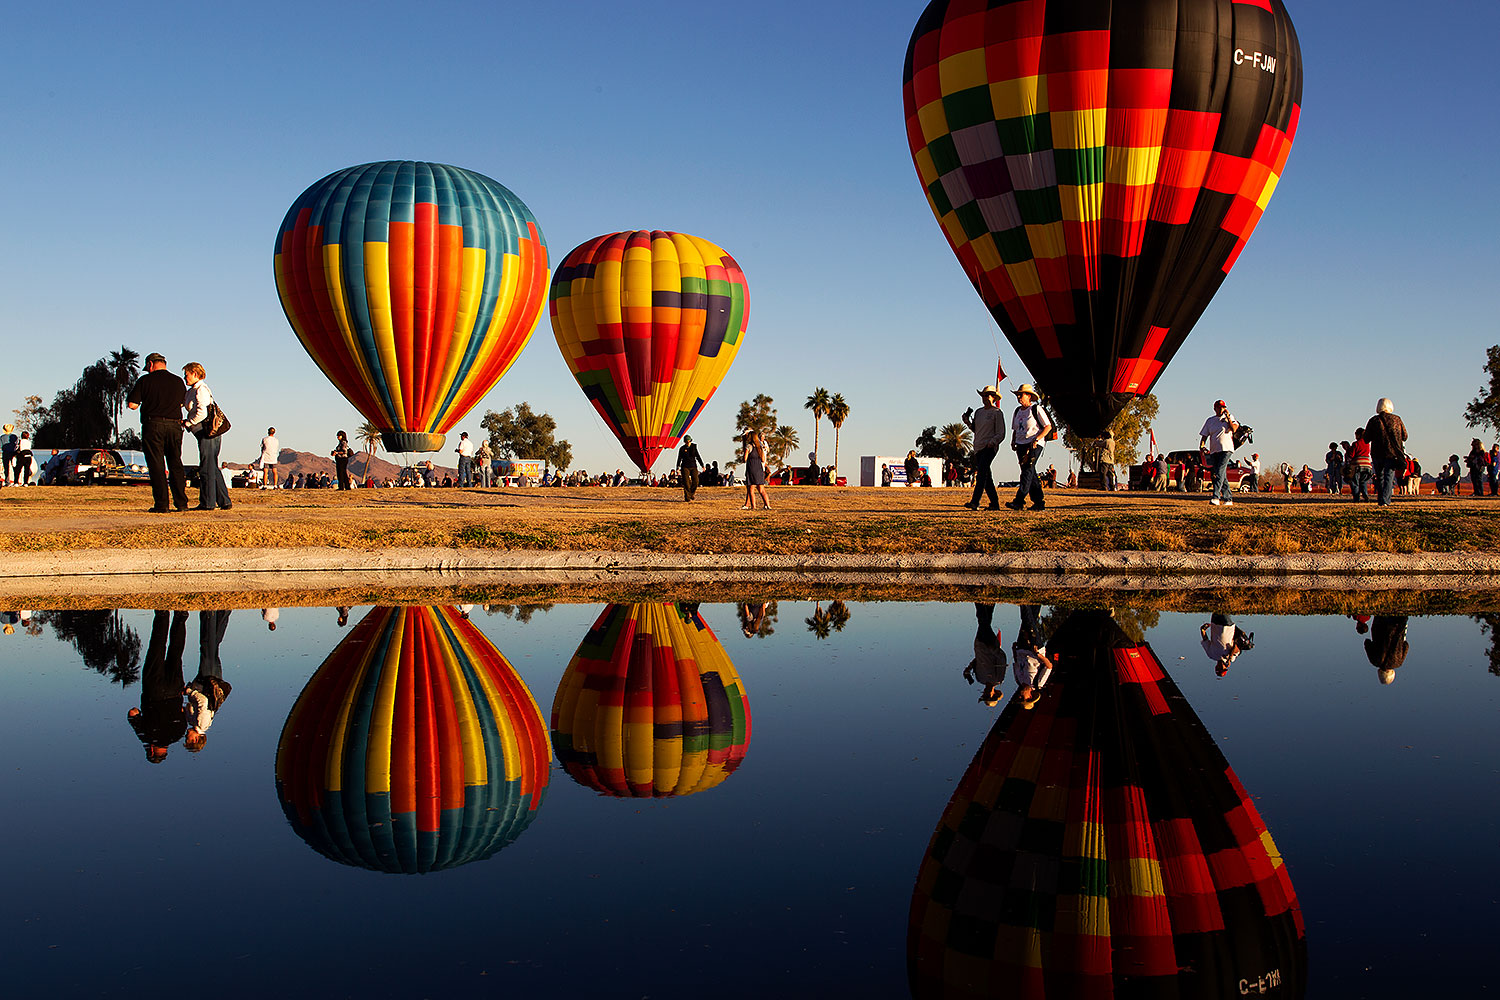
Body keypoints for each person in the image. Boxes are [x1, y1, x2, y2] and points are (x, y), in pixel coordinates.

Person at [126, 352, 190, 512]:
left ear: (150, 364)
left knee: (157, 464)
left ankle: (162, 504)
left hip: (153, 424)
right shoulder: (178, 381)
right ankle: (181, 503)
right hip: (175, 426)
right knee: (175, 463)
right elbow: (184, 403)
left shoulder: (145, 380)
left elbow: (132, 404)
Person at [126, 610, 188, 763]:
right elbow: (133, 712)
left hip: (175, 691)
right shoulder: (146, 736)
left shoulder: (178, 734)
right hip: (153, 692)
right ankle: (162, 614)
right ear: (152, 751)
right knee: (156, 650)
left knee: (176, 652)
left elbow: (184, 711)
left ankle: (181, 615)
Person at [181, 362, 231, 511]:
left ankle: (208, 503)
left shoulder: (201, 390)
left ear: (195, 374)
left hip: (207, 432)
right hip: (202, 433)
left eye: (187, 374)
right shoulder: (192, 390)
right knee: (211, 466)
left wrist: (189, 423)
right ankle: (224, 501)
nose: (185, 377)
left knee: (206, 467)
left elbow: (202, 413)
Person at [183, 609, 233, 752]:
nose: (186, 735)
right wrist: (189, 692)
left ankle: (224, 611)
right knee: (207, 645)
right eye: (188, 738)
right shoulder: (202, 723)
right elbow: (203, 701)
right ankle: (209, 613)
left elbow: (188, 709)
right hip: (208, 678)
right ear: (196, 739)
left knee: (213, 646)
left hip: (212, 678)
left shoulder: (194, 722)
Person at [1005, 383, 1050, 511]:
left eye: (1021, 394)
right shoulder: (1017, 411)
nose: (1019, 397)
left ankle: (1019, 500)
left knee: (1027, 470)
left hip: (1034, 443)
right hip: (1020, 444)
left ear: (1029, 396)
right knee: (1030, 472)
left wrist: (1037, 439)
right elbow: (1015, 429)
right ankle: (1039, 502)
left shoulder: (1036, 409)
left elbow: (1047, 426)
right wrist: (1013, 440)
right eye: (1018, 395)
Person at [961, 385, 1005, 510]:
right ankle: (994, 504)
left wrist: (993, 441)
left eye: (987, 395)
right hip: (978, 447)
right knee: (986, 476)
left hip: (989, 447)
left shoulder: (997, 413)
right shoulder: (979, 412)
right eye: (984, 395)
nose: (985, 398)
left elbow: (1001, 433)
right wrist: (968, 422)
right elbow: (976, 429)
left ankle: (975, 501)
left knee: (981, 474)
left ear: (993, 397)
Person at [1365, 398, 1408, 507]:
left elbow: (1366, 438)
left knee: (1380, 477)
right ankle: (1385, 500)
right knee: (1389, 476)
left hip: (1377, 452)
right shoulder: (1397, 419)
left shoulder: (1374, 420)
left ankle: (1381, 499)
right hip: (1393, 453)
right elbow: (1405, 436)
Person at [962, 603, 1006, 706]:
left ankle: (989, 602)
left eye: (984, 695)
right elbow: (1002, 659)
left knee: (985, 622)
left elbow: (978, 661)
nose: (985, 693)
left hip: (979, 645)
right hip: (990, 644)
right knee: (983, 622)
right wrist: (993, 649)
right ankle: (979, 601)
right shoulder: (999, 679)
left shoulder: (979, 679)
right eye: (988, 695)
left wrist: (968, 669)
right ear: (994, 694)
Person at [1011, 605, 1054, 710]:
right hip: (1035, 648)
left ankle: (1035, 601)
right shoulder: (1038, 683)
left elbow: (1016, 663)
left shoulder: (1018, 681)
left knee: (1029, 622)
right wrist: (1038, 654)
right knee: (1028, 623)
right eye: (1023, 697)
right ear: (1030, 696)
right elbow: (1049, 666)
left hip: (1021, 648)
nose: (1020, 695)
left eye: (1019, 697)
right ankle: (1024, 602)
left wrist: (1014, 651)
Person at [1198, 399, 1240, 506]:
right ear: (1215, 408)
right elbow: (1205, 435)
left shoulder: (1229, 418)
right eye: (1219, 407)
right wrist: (1202, 445)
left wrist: (1228, 418)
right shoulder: (1210, 420)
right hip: (1214, 450)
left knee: (1219, 472)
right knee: (1221, 474)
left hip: (1226, 449)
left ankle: (1216, 496)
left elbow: (1234, 429)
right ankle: (1228, 498)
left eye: (1223, 407)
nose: (1221, 409)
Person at [1365, 615, 1409, 685]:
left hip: (1398, 626)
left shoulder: (1399, 663)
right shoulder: (1374, 661)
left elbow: (1406, 645)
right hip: (1379, 625)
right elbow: (1367, 642)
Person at [740, 429, 771, 510]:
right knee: (761, 489)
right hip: (759, 468)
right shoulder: (759, 447)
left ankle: (753, 506)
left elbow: (745, 459)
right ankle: (767, 505)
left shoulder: (748, 446)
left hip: (751, 468)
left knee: (751, 489)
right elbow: (763, 459)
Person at [677, 434, 704, 501]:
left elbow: (698, 456)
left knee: (696, 481)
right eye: (687, 442)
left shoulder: (694, 447)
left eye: (689, 441)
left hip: (693, 466)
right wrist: (677, 467)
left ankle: (691, 494)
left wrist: (702, 465)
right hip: (685, 466)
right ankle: (687, 497)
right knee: (686, 482)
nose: (688, 443)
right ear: (685, 442)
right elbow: (679, 459)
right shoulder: (682, 449)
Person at [1349, 428, 1373, 501]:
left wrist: (1347, 448)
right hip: (1367, 465)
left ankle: (1356, 498)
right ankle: (1365, 495)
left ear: (1358, 435)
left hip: (1357, 465)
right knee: (1363, 482)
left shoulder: (1356, 443)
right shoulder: (1367, 444)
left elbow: (1351, 455)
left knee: (1355, 482)